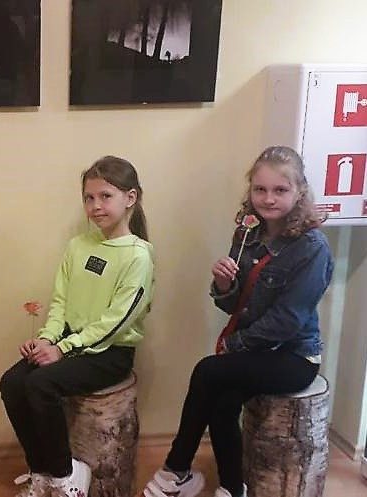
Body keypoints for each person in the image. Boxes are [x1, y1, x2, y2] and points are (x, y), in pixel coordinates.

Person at [142, 146, 333, 497]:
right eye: (260, 189)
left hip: (294, 356)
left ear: (299, 192)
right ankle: (232, 488)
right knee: (223, 401)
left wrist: (235, 345)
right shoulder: (248, 233)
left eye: (280, 190)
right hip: (254, 350)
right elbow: (234, 306)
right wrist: (223, 284)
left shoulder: (312, 247)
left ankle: (176, 468)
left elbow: (287, 321)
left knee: (207, 371)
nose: (268, 199)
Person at [0, 156, 155, 497]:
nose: (95, 206)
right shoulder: (78, 246)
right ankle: (40, 470)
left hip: (110, 353)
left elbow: (116, 323)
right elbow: (61, 302)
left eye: (105, 196)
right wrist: (46, 339)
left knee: (40, 384)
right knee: (12, 382)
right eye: (89, 197)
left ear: (130, 198)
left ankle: (65, 475)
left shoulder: (138, 256)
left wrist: (63, 349)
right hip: (70, 342)